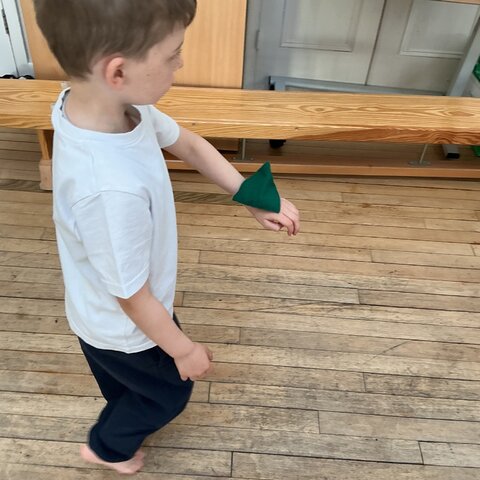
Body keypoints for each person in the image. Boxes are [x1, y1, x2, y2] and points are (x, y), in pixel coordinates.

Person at [33, 0, 300, 474]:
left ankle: (117, 424)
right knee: (168, 393)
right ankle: (107, 447)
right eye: (173, 53)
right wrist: (184, 349)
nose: (181, 63)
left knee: (127, 386)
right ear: (117, 71)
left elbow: (189, 144)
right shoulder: (109, 190)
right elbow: (132, 297)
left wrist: (251, 195)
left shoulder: (110, 107)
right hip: (122, 326)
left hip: (103, 308)